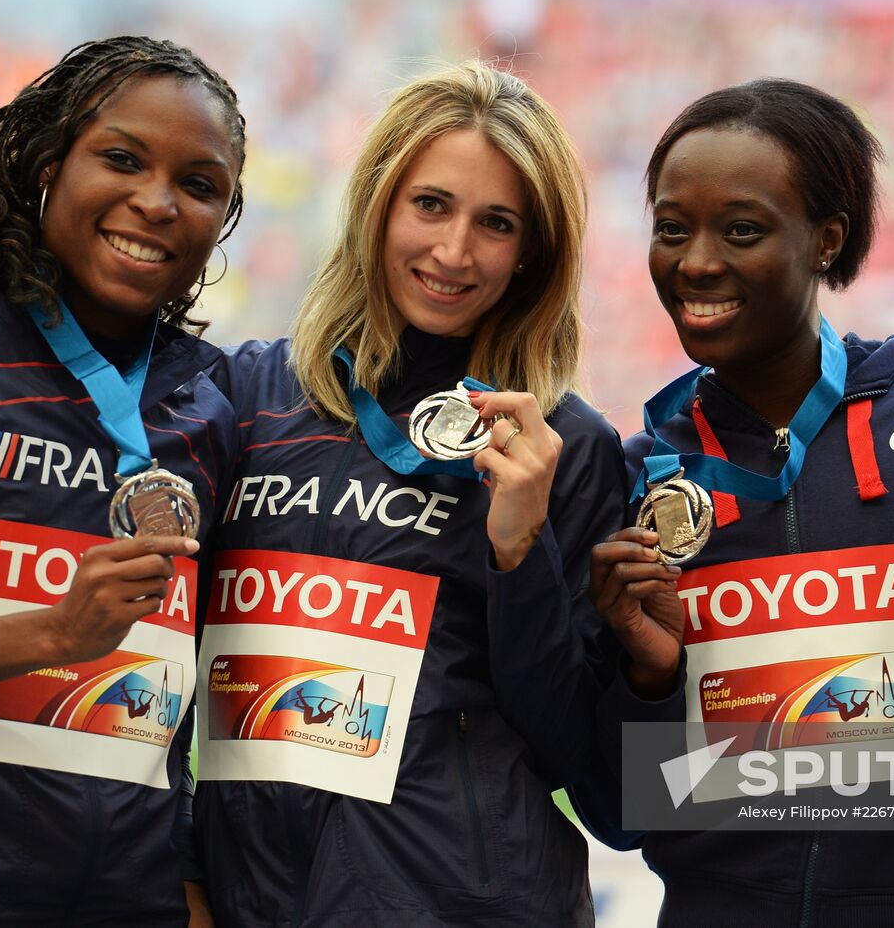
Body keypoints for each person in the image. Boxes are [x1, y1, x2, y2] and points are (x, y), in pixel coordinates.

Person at [572, 80, 894, 926]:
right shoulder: (639, 478)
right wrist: (650, 675)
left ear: (827, 240)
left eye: (741, 230)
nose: (697, 261)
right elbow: (622, 816)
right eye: (672, 229)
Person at [192, 61, 624, 926]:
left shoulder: (564, 447)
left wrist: (518, 552)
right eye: (431, 205)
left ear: (532, 252)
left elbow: (598, 773)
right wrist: (182, 879)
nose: (454, 252)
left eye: (495, 223)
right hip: (245, 897)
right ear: (377, 204)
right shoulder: (247, 398)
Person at [0, 36, 246, 926]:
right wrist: (43, 634)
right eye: (122, 158)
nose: (156, 202)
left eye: (200, 185)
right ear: (47, 162)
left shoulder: (208, 404)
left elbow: (187, 691)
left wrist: (186, 872)